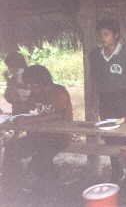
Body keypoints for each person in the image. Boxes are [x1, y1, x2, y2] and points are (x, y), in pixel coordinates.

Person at [1, 65, 73, 200]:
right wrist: (19, 108)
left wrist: (30, 120)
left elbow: (56, 115)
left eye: (31, 84)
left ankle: (50, 193)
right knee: (11, 149)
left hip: (58, 138)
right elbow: (28, 108)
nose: (30, 88)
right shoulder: (35, 93)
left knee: (38, 163)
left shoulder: (59, 92)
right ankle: (11, 187)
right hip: (38, 136)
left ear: (40, 82)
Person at [88, 18, 126, 183]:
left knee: (125, 134)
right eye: (100, 35)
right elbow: (94, 81)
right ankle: (116, 171)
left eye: (106, 34)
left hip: (123, 97)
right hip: (105, 99)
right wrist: (95, 104)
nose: (102, 38)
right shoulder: (95, 55)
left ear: (116, 35)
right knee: (110, 135)